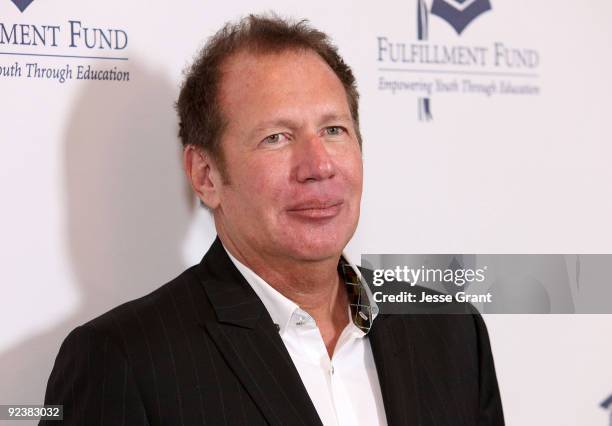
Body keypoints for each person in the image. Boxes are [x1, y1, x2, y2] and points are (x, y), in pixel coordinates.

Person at [41, 14, 504, 426]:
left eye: (333, 130)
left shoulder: (452, 333)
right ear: (206, 175)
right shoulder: (123, 361)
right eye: (276, 138)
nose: (318, 165)